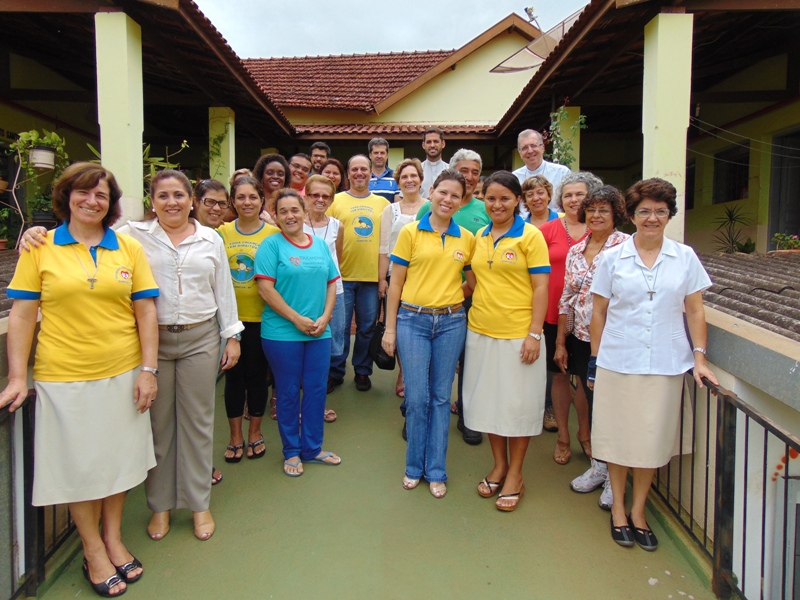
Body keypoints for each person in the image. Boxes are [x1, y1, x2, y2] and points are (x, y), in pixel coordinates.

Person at [2, 162, 159, 597]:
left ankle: (112, 538)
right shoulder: (41, 246)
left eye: (102, 196)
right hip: (65, 376)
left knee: (119, 462)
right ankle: (93, 549)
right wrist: (17, 377)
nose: (92, 201)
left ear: (110, 205)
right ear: (66, 195)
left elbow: (145, 311)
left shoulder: (127, 249)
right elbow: (22, 313)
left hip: (124, 372)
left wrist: (148, 370)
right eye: (84, 192)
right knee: (81, 467)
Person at [588, 177, 717, 551]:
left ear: (669, 215)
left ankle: (639, 511)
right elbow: (598, 312)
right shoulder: (612, 258)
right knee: (617, 437)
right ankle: (618, 513)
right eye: (644, 211)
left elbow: (695, 309)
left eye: (660, 211)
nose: (652, 218)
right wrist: (595, 359)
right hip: (618, 359)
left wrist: (700, 358)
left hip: (665, 362)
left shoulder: (685, 256)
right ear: (631, 215)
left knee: (650, 440)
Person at [119, 169, 243, 543]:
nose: (171, 202)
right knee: (158, 425)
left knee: (198, 421)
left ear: (192, 200)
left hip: (200, 338)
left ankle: (198, 502)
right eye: (163, 196)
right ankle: (160, 506)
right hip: (152, 342)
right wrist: (36, 235)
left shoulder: (210, 239)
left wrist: (232, 336)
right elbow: (83, 238)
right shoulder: (131, 236)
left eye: (179, 195)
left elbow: (223, 290)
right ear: (152, 202)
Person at [382, 169, 475, 499]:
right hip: (412, 322)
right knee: (417, 398)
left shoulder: (466, 238)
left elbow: (472, 282)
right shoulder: (409, 233)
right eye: (443, 193)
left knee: (440, 398)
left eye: (455, 196)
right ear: (431, 192)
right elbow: (395, 284)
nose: (448, 200)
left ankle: (436, 470)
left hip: (451, 323)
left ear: (462, 201)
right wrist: (389, 328)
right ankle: (413, 467)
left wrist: (450, 295)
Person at [462, 171, 550, 512]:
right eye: (491, 198)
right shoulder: (479, 236)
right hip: (481, 332)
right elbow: (471, 284)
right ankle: (498, 465)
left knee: (517, 406)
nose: (497, 204)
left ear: (518, 201)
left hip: (519, 336)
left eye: (505, 198)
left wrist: (534, 333)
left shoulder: (530, 237)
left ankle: (515, 473)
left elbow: (541, 287)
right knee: (489, 404)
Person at [256, 189, 342, 477]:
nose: (290, 216)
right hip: (282, 333)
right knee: (289, 392)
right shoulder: (271, 246)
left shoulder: (318, 245)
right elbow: (265, 290)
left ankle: (313, 448)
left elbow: (332, 282)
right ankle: (291, 451)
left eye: (295, 210)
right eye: (283, 211)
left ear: (304, 212)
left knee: (317, 389)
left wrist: (325, 317)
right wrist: (296, 319)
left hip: (319, 331)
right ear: (276, 216)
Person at [553, 185, 628, 511]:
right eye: (592, 210)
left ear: (615, 215)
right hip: (581, 339)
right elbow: (566, 299)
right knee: (592, 399)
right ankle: (599, 466)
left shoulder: (626, 247)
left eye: (604, 210)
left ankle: (615, 475)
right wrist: (560, 341)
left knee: (611, 409)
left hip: (615, 341)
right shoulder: (576, 250)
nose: (596, 215)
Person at [417, 148, 490, 445]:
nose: (469, 176)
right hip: (434, 300)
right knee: (429, 361)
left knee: (469, 358)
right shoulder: (429, 209)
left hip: (475, 295)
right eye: (463, 170)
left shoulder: (486, 209)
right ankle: (418, 415)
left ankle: (467, 416)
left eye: (474, 171)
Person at [539, 171, 601, 465]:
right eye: (568, 195)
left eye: (580, 194)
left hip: (592, 321)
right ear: (560, 200)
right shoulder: (548, 230)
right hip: (555, 314)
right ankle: (563, 436)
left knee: (583, 378)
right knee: (561, 376)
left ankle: (584, 434)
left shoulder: (601, 229)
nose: (574, 199)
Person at [218, 176, 280, 463]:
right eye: (241, 197)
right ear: (233, 201)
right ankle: (235, 436)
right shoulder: (221, 233)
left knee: (257, 377)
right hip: (229, 321)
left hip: (262, 318)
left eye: (252, 197)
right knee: (233, 379)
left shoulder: (273, 233)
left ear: (262, 200)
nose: (247, 202)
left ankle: (255, 432)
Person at [326, 155, 390, 392]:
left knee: (366, 328)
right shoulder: (336, 201)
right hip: (342, 277)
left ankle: (362, 370)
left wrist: (383, 277)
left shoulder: (383, 203)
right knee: (340, 328)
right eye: (355, 169)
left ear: (371, 171)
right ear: (348, 173)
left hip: (371, 278)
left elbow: (388, 241)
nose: (360, 173)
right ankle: (336, 370)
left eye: (364, 169)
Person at [378, 158, 427, 399]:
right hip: (396, 277)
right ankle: (404, 372)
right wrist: (382, 279)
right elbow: (383, 247)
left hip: (424, 277)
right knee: (397, 324)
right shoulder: (390, 210)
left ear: (420, 179)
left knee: (419, 326)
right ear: (398, 182)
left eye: (413, 176)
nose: (409, 180)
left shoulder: (430, 207)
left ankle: (417, 373)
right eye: (404, 177)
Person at [303, 174, 345, 422]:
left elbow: (336, 258)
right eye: (314, 195)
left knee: (328, 349)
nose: (320, 199)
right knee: (301, 348)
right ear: (306, 196)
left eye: (325, 196)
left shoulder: (338, 225)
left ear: (331, 199)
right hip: (303, 295)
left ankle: (317, 404)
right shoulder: (296, 223)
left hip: (334, 293)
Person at [512, 129, 570, 214]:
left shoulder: (562, 172)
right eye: (524, 148)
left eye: (533, 146)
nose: (530, 151)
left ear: (542, 147)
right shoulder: (514, 178)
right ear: (519, 152)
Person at [368, 137, 399, 203]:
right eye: (376, 153)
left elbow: (397, 206)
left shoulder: (396, 177)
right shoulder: (364, 177)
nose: (379, 156)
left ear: (387, 155)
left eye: (382, 153)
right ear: (370, 155)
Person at [420, 127, 447, 198]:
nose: (432, 145)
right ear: (423, 145)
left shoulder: (450, 169)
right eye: (429, 142)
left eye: (436, 141)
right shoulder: (417, 170)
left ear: (443, 144)